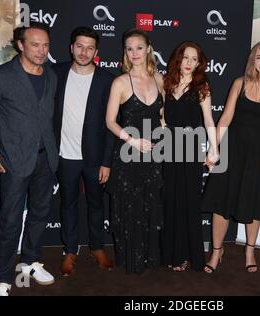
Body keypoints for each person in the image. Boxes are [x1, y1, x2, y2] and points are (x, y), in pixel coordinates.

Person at [0, 22, 58, 296]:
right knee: (9, 221)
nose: (42, 51)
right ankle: (3, 277)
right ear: (20, 45)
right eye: (35, 44)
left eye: (45, 45)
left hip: (46, 161)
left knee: (40, 215)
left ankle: (30, 261)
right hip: (13, 162)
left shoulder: (52, 76)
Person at [202, 41, 260, 273]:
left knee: (254, 204)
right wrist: (214, 149)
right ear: (253, 61)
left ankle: (250, 250)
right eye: (258, 57)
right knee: (221, 203)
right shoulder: (239, 84)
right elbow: (225, 118)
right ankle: (216, 252)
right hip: (232, 150)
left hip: (259, 155)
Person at [52, 27, 115, 276]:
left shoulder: (107, 80)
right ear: (71, 47)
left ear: (96, 52)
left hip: (95, 158)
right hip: (64, 156)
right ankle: (69, 250)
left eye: (90, 48)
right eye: (80, 46)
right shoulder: (55, 73)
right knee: (67, 204)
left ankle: (97, 247)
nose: (84, 52)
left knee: (96, 204)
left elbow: (111, 126)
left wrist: (107, 161)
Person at [105, 28, 165, 274]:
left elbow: (161, 115)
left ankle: (150, 258)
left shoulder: (160, 79)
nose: (135, 53)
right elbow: (110, 121)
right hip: (128, 153)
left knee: (150, 203)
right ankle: (132, 260)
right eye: (129, 48)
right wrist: (132, 141)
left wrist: (165, 130)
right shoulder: (120, 82)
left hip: (153, 154)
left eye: (139, 47)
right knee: (130, 206)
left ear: (148, 48)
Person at [161, 41, 218, 272]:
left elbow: (208, 121)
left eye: (195, 59)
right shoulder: (166, 82)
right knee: (170, 200)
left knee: (188, 202)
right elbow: (161, 113)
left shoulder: (202, 86)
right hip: (169, 147)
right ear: (178, 58)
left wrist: (214, 150)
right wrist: (163, 126)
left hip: (191, 147)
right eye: (186, 57)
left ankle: (186, 254)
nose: (190, 63)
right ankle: (169, 253)